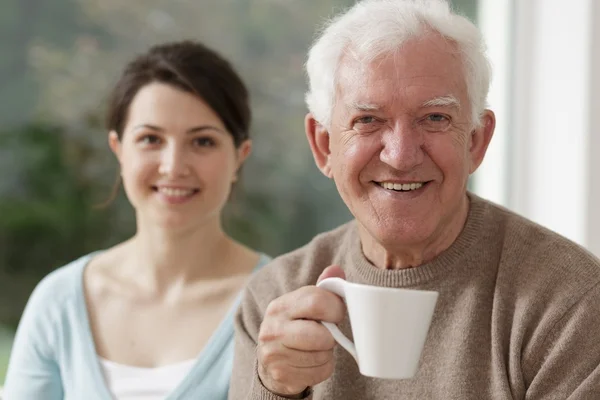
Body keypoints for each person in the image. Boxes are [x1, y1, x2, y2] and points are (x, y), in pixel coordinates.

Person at [228, 1, 600, 399]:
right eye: (368, 120)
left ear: (476, 141)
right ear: (324, 146)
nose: (401, 155)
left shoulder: (571, 301)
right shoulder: (274, 297)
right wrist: (276, 390)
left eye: (435, 118)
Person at [4, 40, 270, 400]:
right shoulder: (60, 303)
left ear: (240, 156)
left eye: (203, 142)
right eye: (150, 139)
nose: (173, 166)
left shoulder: (276, 301)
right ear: (119, 150)